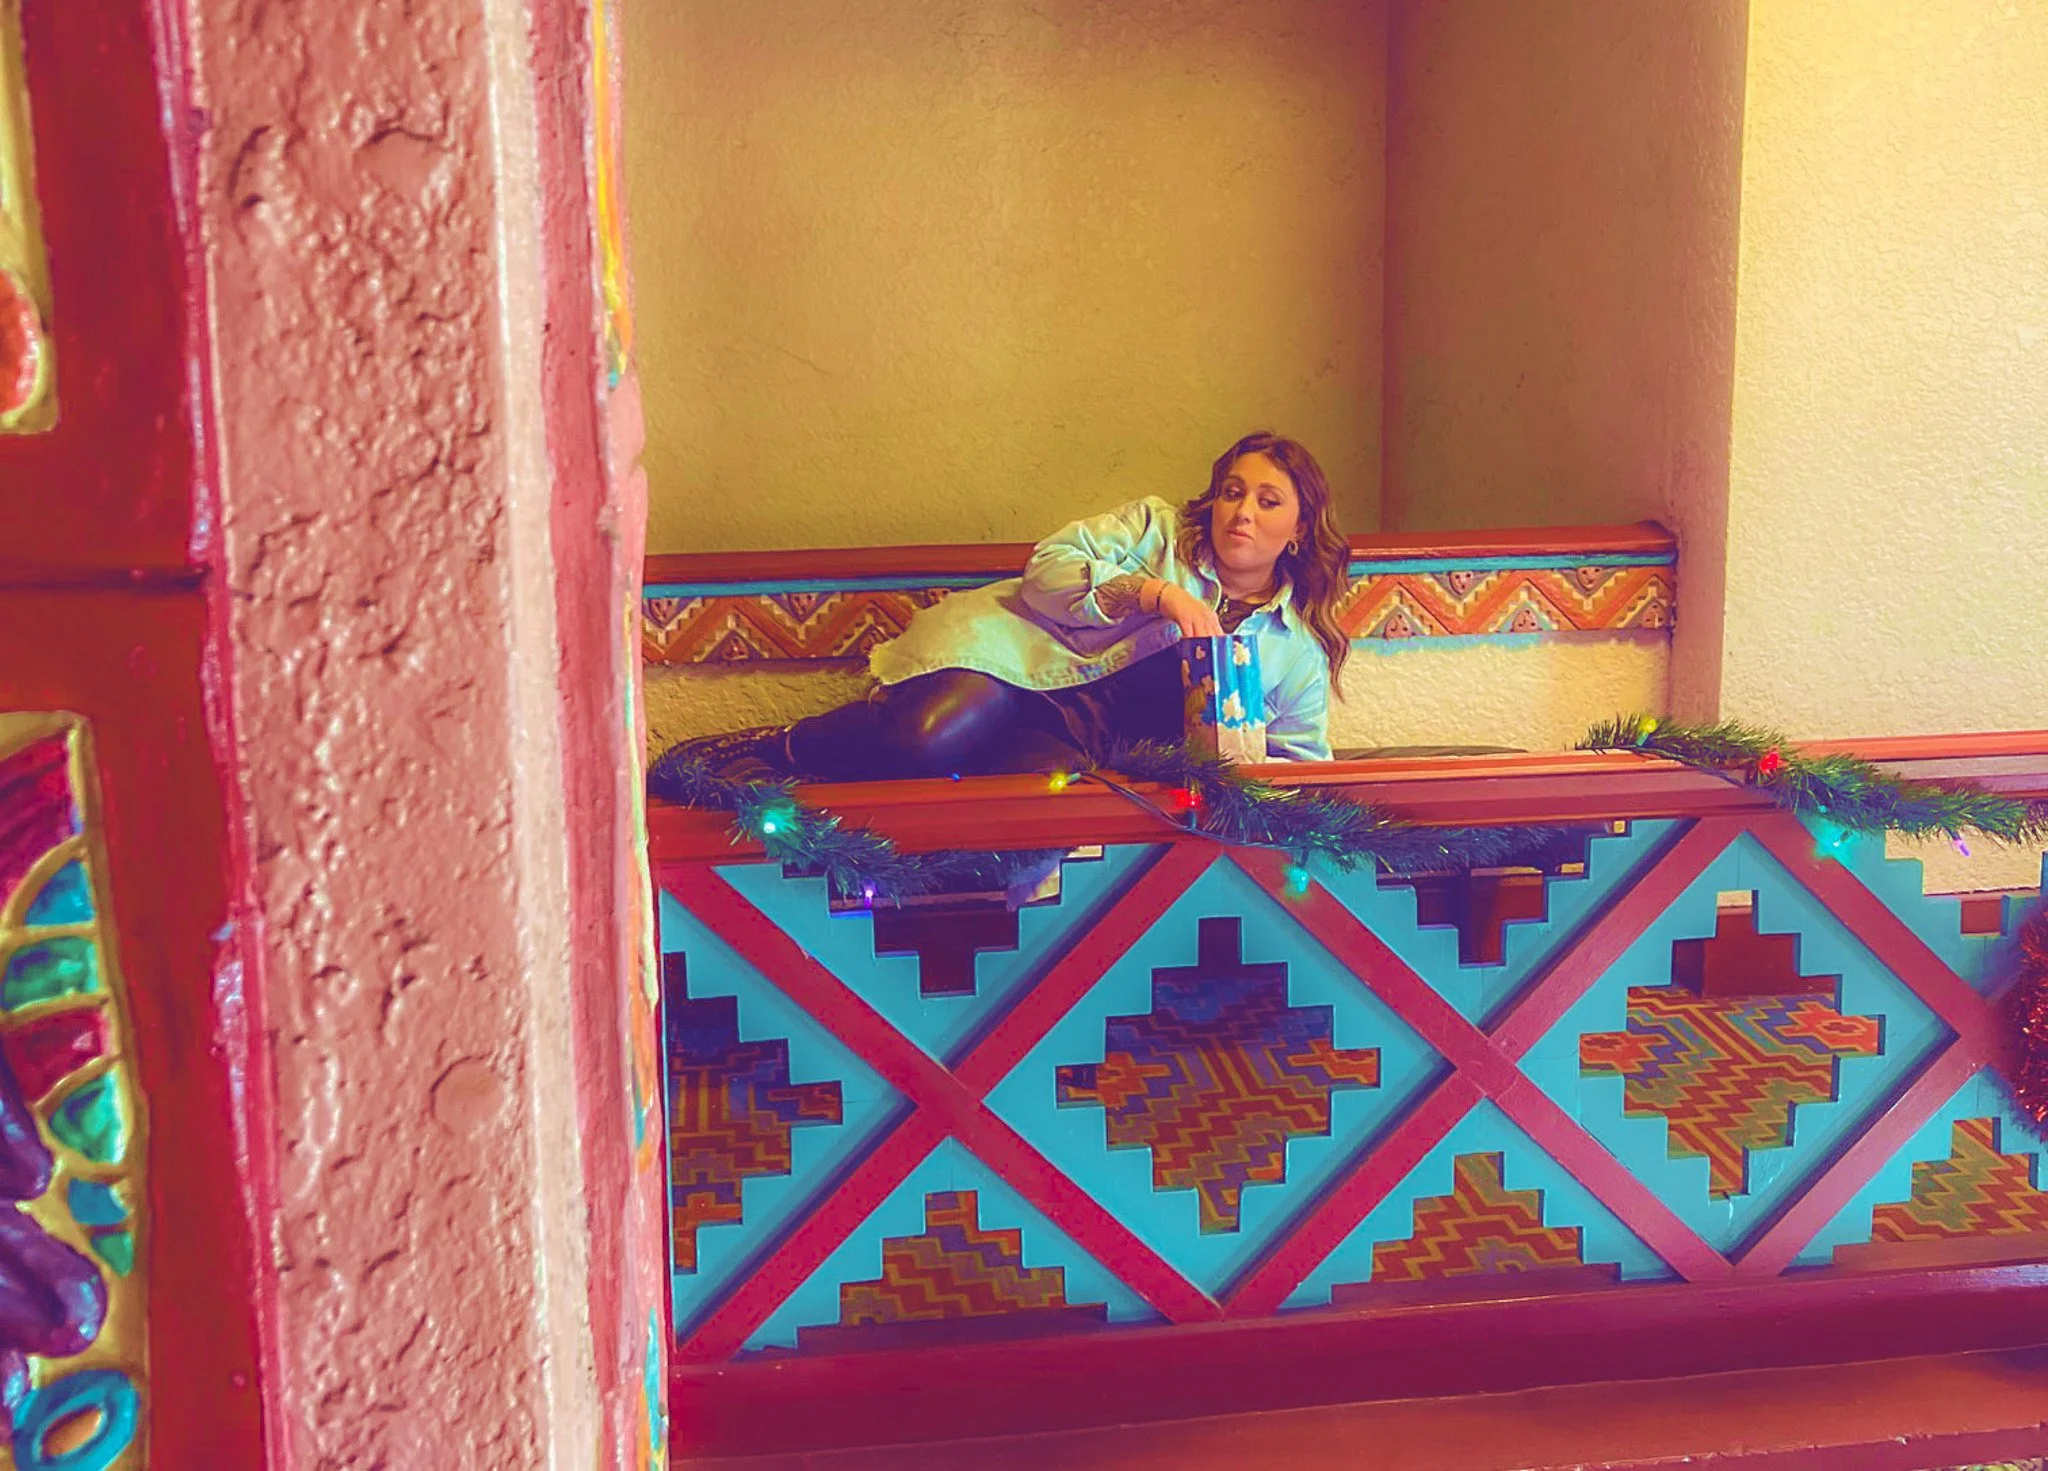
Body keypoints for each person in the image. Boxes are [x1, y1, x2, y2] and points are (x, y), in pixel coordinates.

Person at [651, 430, 1351, 791]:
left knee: (1020, 816)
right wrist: (1152, 592)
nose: (1243, 512)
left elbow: (1296, 765)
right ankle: (777, 749)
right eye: (1234, 490)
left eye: (1268, 502)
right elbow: (1046, 569)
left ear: (1297, 530)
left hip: (1085, 744)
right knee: (929, 734)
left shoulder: (1293, 649)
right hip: (1017, 661)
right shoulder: (1156, 529)